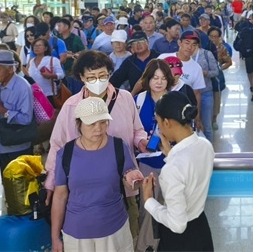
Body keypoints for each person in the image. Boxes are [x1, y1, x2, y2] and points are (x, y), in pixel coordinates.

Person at [45, 51, 148, 241]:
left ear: (110, 74)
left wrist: (141, 141)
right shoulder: (71, 106)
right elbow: (58, 145)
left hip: (122, 183)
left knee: (125, 235)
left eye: (102, 75)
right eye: (91, 77)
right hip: (84, 188)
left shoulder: (125, 98)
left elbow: (137, 130)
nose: (98, 81)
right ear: (82, 77)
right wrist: (52, 182)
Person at [50, 97, 144, 252]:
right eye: (91, 124)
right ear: (79, 123)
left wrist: (134, 182)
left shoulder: (118, 147)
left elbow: (129, 182)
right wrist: (55, 238)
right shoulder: (66, 153)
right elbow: (60, 196)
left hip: (115, 230)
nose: (98, 129)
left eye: (103, 122)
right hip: (77, 234)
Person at [141, 91, 215, 251]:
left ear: (166, 122)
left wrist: (149, 200)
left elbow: (177, 225)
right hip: (201, 228)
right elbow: (188, 166)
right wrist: (171, 154)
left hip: (179, 242)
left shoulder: (172, 169)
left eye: (158, 122)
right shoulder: (205, 145)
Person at [0, 49, 35, 175]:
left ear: (10, 69)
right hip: (3, 144)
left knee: (20, 184)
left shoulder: (22, 87)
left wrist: (3, 110)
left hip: (18, 147)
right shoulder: (1, 84)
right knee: (7, 182)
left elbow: (26, 119)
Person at [194, 43, 220, 141]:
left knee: (207, 126)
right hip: (189, 95)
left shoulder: (206, 54)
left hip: (205, 92)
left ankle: (209, 148)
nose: (190, 46)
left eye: (193, 43)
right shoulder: (183, 56)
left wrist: (205, 73)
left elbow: (216, 71)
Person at [208, 27, 231, 130]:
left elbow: (229, 62)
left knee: (216, 98)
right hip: (205, 77)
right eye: (211, 36)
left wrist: (220, 69)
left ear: (219, 37)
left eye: (215, 37)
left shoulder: (222, 49)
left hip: (217, 78)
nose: (213, 39)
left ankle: (214, 119)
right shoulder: (204, 48)